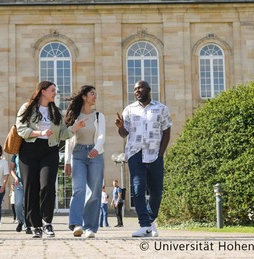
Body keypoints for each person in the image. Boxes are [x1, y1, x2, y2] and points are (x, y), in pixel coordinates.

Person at [16, 81, 86, 238]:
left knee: (47, 185)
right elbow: (20, 129)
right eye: (53, 90)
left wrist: (74, 128)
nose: (55, 93)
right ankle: (36, 226)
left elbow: (61, 133)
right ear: (43, 91)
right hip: (29, 151)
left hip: (50, 150)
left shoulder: (56, 111)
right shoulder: (27, 108)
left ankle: (47, 222)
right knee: (31, 188)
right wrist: (39, 133)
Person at [115, 80, 172, 238]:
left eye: (139, 88)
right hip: (135, 153)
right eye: (134, 89)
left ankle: (150, 220)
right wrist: (120, 126)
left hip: (155, 153)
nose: (137, 91)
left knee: (156, 191)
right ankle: (144, 225)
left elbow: (167, 132)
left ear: (148, 89)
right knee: (137, 189)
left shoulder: (161, 108)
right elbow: (124, 134)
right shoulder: (129, 110)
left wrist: (161, 154)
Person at [63, 85, 105, 239]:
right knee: (79, 188)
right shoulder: (74, 116)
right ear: (84, 97)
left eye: (96, 94)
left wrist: (97, 148)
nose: (95, 96)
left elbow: (101, 135)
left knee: (94, 192)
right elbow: (68, 139)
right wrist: (67, 161)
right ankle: (76, 224)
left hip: (96, 155)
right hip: (78, 154)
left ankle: (90, 228)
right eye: (92, 93)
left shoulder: (99, 116)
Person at [9, 153, 29, 233]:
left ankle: (27, 225)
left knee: (27, 205)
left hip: (29, 182)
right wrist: (15, 177)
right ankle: (20, 220)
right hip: (19, 183)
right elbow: (11, 169)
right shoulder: (15, 155)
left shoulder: (30, 153)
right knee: (18, 204)